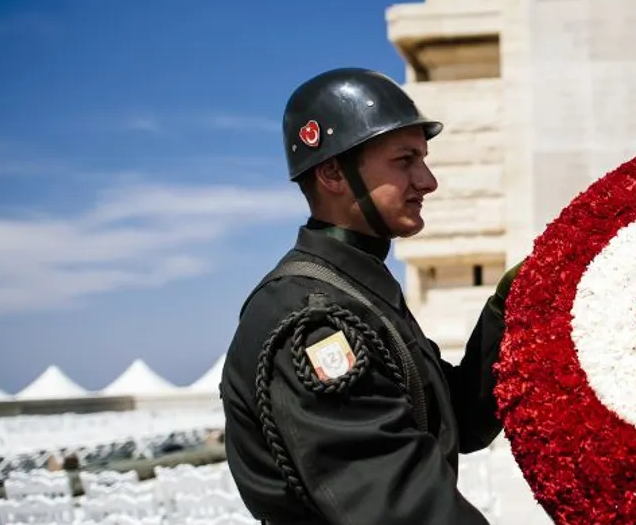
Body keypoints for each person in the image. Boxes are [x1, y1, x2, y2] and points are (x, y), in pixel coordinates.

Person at [221, 67, 519, 524]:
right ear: (333, 173)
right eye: (405, 161)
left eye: (423, 160)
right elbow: (402, 509)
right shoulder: (313, 319)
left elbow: (458, 418)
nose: (428, 181)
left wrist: (511, 307)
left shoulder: (356, 293)